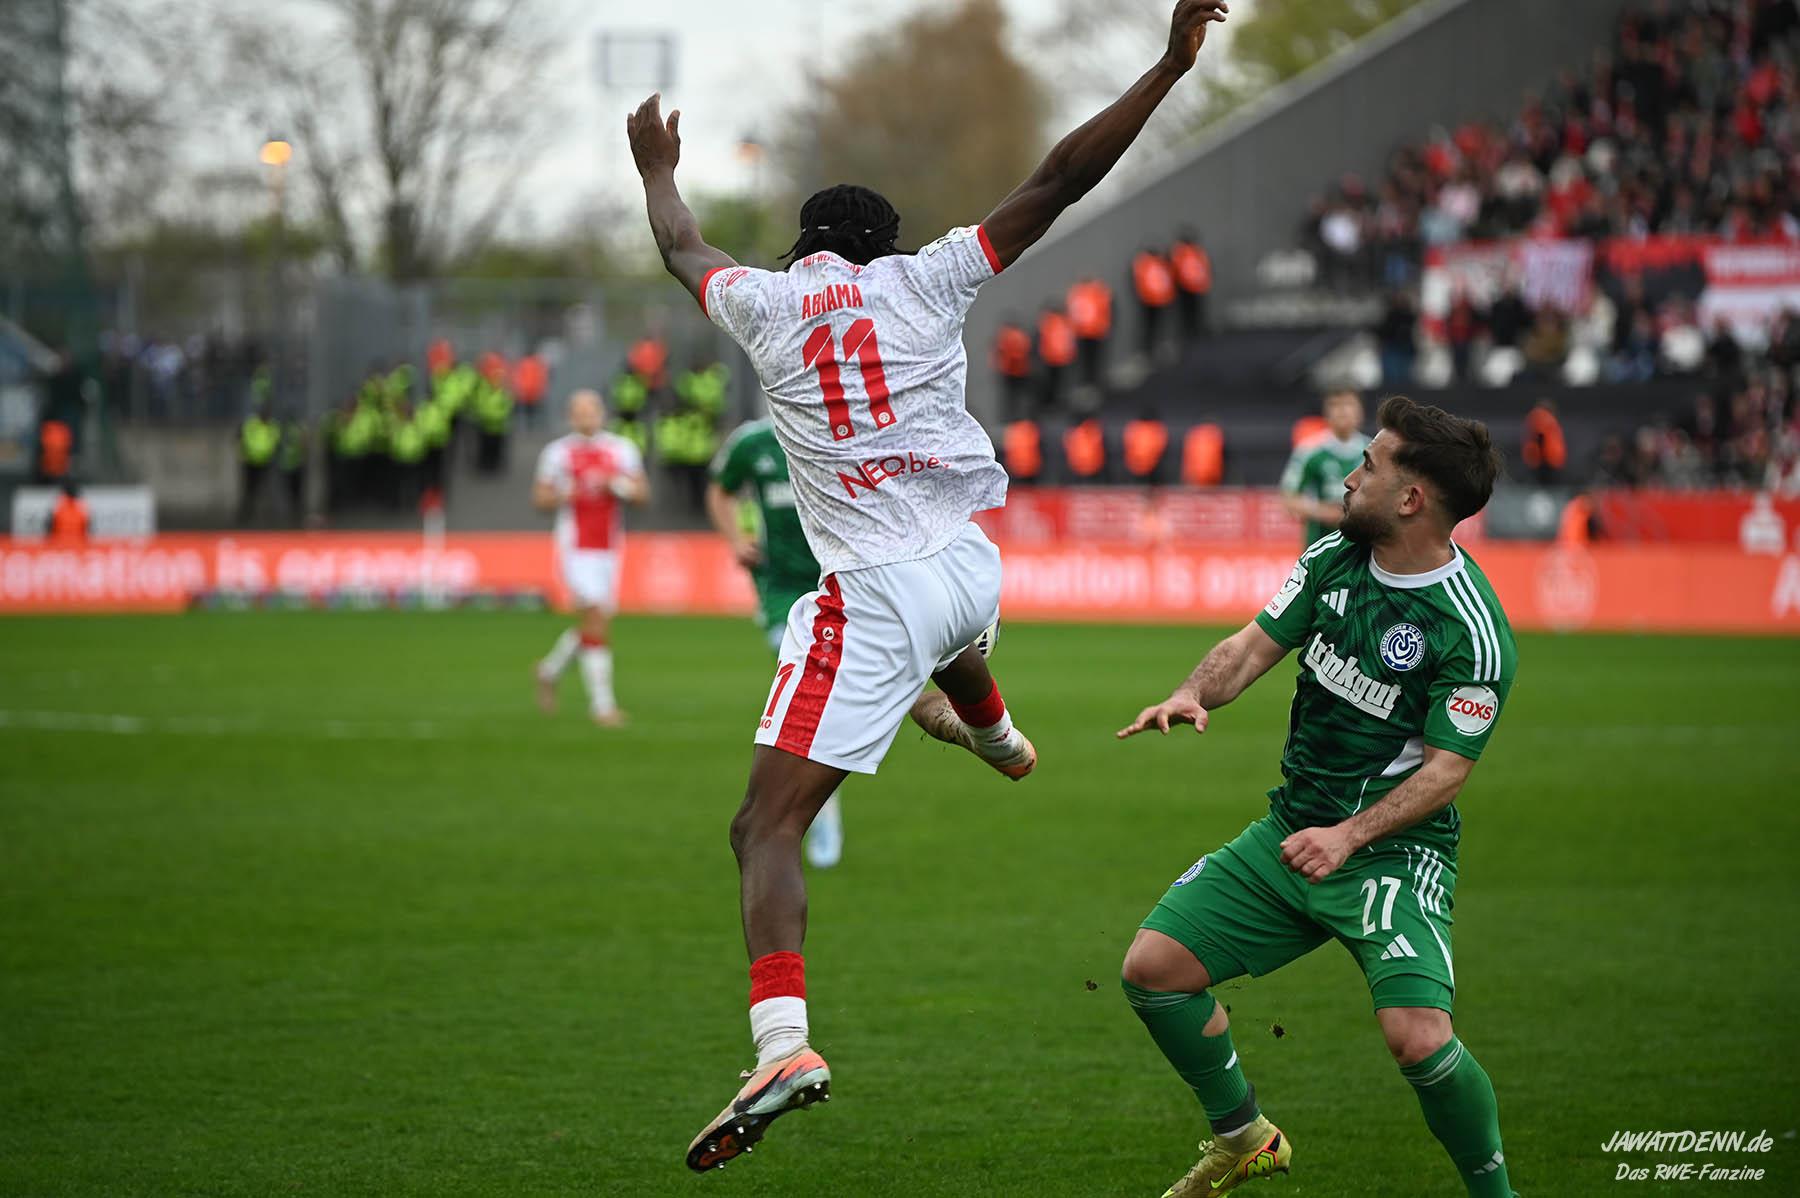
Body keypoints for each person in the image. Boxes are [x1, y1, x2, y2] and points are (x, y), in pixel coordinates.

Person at [627, 0, 1228, 1171]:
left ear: (804, 247)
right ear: (881, 245)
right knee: (946, 640)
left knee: (762, 826)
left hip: (873, 589)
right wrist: (1166, 67)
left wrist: (656, 170)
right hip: (969, 566)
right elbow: (1059, 178)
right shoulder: (926, 279)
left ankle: (782, 1045)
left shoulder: (761, 302)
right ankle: (996, 734)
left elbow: (680, 244)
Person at [1116, 396, 1517, 1197]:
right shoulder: (1336, 555)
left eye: (1369, 465)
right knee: (1154, 969)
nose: (1349, 478)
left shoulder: (1469, 628)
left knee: (1417, 1037)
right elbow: (1249, 647)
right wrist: (1192, 692)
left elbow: (1446, 771)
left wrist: (1349, 837)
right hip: (1292, 831)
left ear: (1412, 498)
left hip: (1391, 854)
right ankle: (1244, 1137)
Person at [706, 416, 846, 870]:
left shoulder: (836, 433)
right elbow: (720, 489)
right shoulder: (753, 442)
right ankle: (822, 813)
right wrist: (736, 539)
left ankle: (818, 804)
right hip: (780, 588)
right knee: (805, 692)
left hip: (837, 579)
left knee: (832, 698)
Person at [531, 390, 649, 726]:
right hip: (575, 547)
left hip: (609, 547)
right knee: (596, 616)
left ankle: (549, 670)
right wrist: (562, 494)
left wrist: (618, 486)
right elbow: (540, 499)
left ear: (602, 413)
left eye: (592, 410)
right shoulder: (557, 453)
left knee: (596, 622)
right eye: (580, 411)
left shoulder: (621, 449)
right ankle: (602, 706)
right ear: (571, 416)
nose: (586, 417)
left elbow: (642, 493)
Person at [1280, 389, 1368, 546]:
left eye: (1349, 404)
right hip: (1320, 543)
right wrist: (1322, 511)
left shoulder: (1372, 450)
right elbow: (1288, 497)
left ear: (1360, 412)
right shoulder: (1309, 451)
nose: (1342, 411)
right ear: (1326, 413)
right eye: (1335, 405)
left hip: (1362, 544)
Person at [48, 480, 90, 544]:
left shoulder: (57, 506)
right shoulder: (82, 507)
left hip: (60, 543)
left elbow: (50, 528)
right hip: (77, 543)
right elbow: (87, 529)